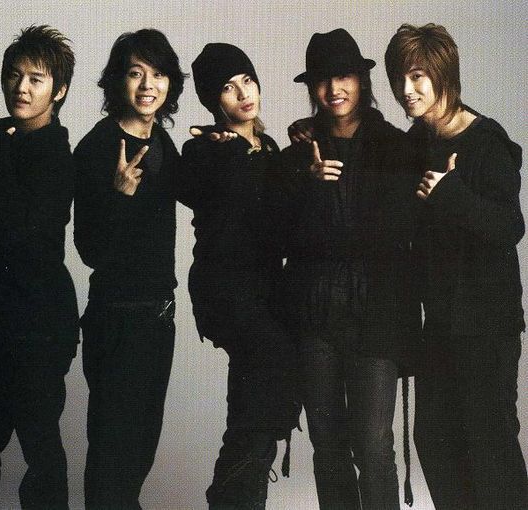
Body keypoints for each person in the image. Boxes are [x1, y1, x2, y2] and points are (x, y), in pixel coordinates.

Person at [385, 23, 527, 510]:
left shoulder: (486, 140)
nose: (406, 90)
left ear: (444, 75)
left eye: (418, 76)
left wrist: (452, 195)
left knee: (490, 447)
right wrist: (305, 132)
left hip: (487, 325)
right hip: (441, 325)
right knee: (435, 441)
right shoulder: (416, 142)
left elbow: (510, 226)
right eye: (400, 78)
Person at [279, 29, 422, 509]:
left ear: (362, 80)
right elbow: (280, 237)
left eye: (343, 76)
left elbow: (401, 234)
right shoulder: (297, 155)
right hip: (314, 316)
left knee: (374, 447)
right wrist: (307, 186)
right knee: (327, 446)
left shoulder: (397, 147)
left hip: (377, 315)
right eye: (321, 80)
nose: (333, 89)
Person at [179, 43, 300, 509]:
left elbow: (279, 224)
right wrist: (229, 153)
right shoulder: (203, 150)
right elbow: (197, 193)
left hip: (265, 292)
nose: (244, 94)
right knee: (262, 397)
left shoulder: (269, 148)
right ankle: (228, 499)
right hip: (227, 293)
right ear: (214, 101)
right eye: (228, 88)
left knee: (257, 406)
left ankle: (235, 500)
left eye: (247, 81)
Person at [0, 25, 78, 508]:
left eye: (36, 78)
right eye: (14, 75)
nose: (21, 88)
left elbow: (21, 236)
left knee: (40, 453)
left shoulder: (54, 153)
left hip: (39, 327)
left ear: (59, 91)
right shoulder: (5, 143)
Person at [73, 29, 185, 509]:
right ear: (117, 81)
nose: (147, 85)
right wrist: (117, 196)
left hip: (158, 318)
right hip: (116, 319)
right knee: (111, 458)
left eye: (157, 74)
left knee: (138, 455)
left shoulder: (163, 141)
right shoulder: (97, 146)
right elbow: (88, 248)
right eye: (136, 73)